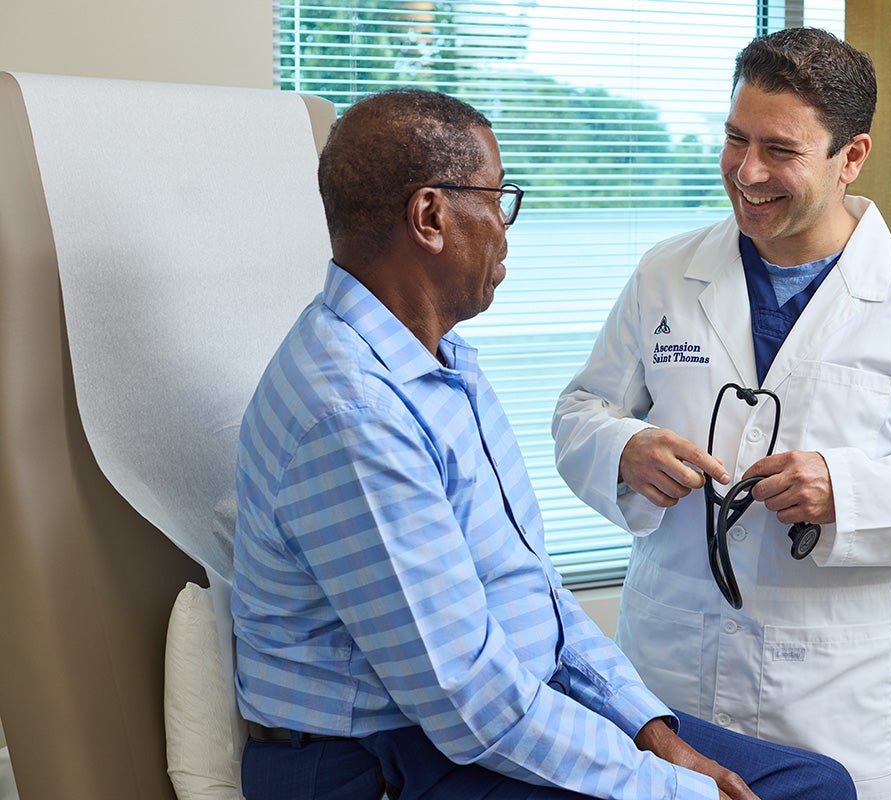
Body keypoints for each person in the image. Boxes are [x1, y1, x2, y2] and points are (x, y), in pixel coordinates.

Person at [231, 89, 855, 800]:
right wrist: (674, 792)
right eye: (498, 199)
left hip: (473, 719)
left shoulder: (443, 365)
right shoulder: (354, 410)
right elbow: (466, 697)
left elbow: (534, 595)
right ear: (430, 217)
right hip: (380, 760)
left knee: (812, 783)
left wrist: (652, 730)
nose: (504, 226)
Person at [552, 27, 891, 800]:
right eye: (736, 139)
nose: (748, 171)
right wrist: (623, 446)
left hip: (827, 693)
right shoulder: (667, 272)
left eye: (782, 150)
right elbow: (581, 410)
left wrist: (847, 491)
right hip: (667, 675)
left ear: (852, 158)